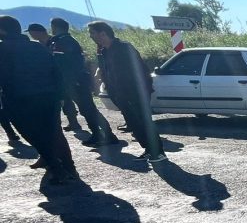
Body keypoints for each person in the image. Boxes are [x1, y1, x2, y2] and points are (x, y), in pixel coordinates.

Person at [0, 15, 77, 183]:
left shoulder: (2, 49)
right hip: (49, 96)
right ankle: (69, 166)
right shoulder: (37, 47)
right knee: (55, 131)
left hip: (19, 98)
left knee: (33, 134)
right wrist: (61, 95)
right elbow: (55, 71)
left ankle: (56, 168)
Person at [88, 21, 164, 161]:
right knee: (133, 124)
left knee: (144, 121)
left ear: (103, 33)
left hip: (135, 93)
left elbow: (140, 71)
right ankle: (148, 149)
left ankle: (158, 152)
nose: (90, 36)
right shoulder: (104, 51)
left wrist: (139, 91)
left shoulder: (124, 48)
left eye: (92, 33)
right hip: (119, 94)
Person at [48, 18, 119, 147]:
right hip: (74, 81)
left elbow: (68, 65)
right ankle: (98, 134)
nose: (90, 36)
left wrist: (73, 81)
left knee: (89, 110)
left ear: (55, 27)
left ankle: (107, 135)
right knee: (86, 110)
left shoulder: (65, 42)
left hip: (76, 81)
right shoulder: (61, 41)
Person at [30, 23, 82, 132]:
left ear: (39, 32)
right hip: (50, 76)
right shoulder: (36, 45)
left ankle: (75, 122)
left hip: (63, 75)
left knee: (74, 99)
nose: (31, 35)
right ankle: (73, 122)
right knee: (63, 100)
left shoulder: (54, 41)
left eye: (32, 32)